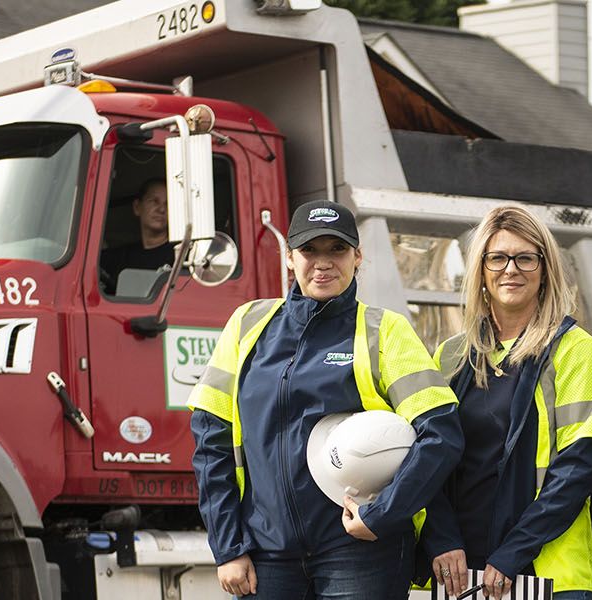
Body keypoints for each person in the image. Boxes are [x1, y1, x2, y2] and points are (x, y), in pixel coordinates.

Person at [187, 200, 464, 599]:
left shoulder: (385, 331)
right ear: (289, 258)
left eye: (336, 249)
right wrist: (229, 546)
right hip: (267, 554)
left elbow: (441, 434)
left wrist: (382, 515)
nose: (323, 263)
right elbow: (210, 441)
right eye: (309, 250)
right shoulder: (247, 325)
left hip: (360, 553)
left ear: (357, 256)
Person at [422, 207, 592, 600]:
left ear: (545, 269)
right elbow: (425, 462)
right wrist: (440, 538)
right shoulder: (450, 356)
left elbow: (579, 468)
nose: (511, 269)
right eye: (498, 257)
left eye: (526, 257)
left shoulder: (575, 350)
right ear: (481, 271)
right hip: (459, 575)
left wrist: (512, 553)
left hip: (549, 573)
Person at [100, 180, 176, 294]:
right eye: (154, 201)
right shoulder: (117, 258)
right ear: (137, 207)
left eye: (167, 203)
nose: (161, 209)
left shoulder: (181, 255)